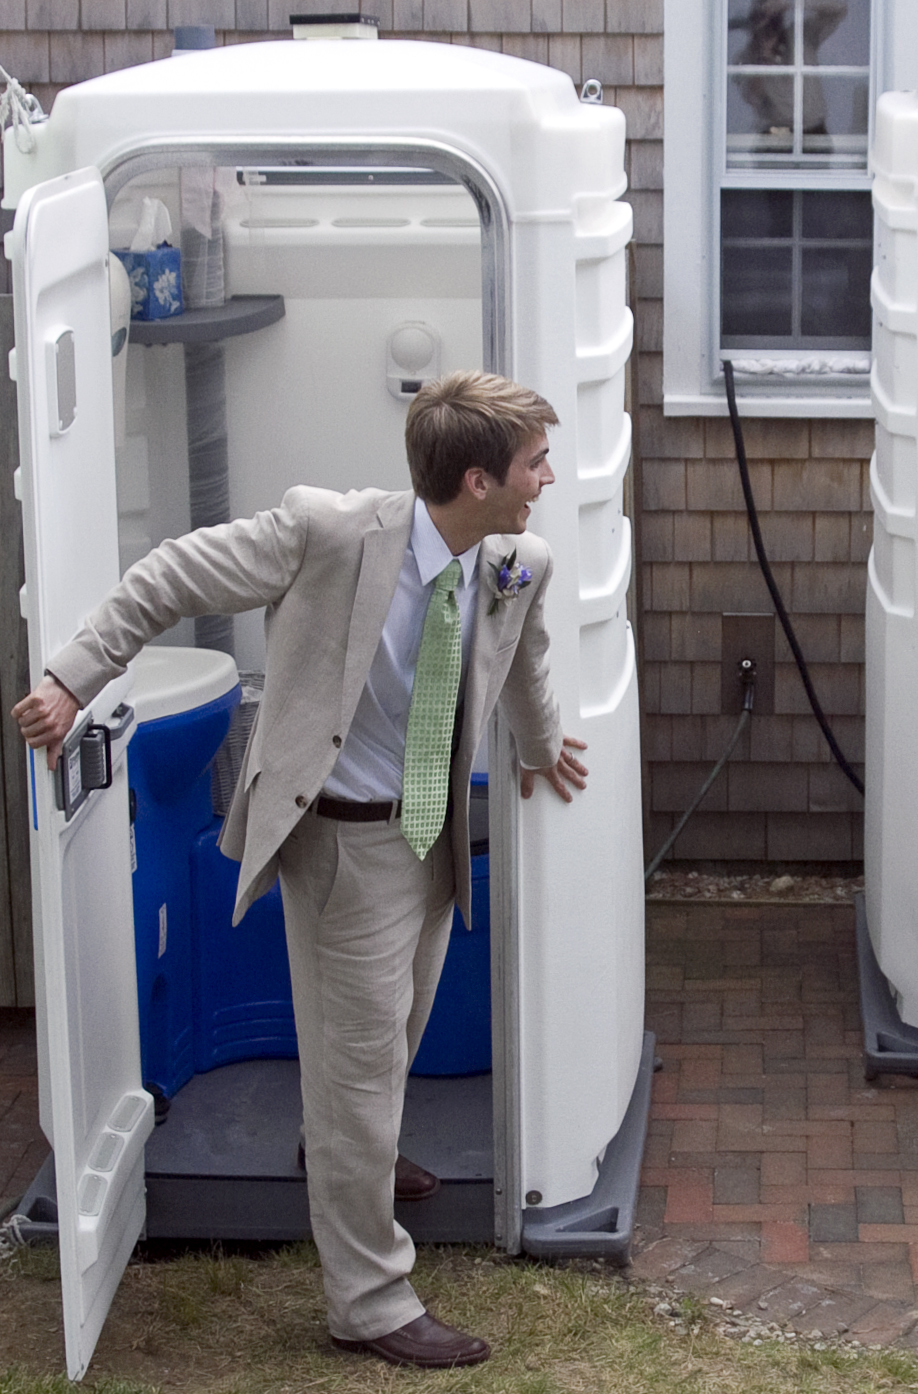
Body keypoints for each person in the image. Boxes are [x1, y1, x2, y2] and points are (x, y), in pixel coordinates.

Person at [11, 370, 589, 1367]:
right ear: (479, 478)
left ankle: (340, 1147)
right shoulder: (327, 531)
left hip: (428, 837)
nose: (548, 477)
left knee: (394, 1035)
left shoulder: (515, 562)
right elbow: (171, 576)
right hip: (339, 848)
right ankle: (369, 1299)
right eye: (535, 462)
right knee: (359, 1069)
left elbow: (520, 665)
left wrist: (540, 747)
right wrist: (72, 677)